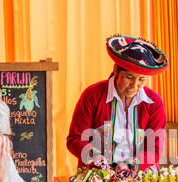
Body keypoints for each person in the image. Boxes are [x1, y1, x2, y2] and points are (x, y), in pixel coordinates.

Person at [67, 35, 169, 172]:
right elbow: (75, 139)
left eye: (141, 79)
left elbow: (154, 150)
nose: (134, 85)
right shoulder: (92, 95)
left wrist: (130, 165)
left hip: (140, 178)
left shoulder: (154, 103)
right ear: (116, 70)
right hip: (97, 175)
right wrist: (94, 156)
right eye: (129, 77)